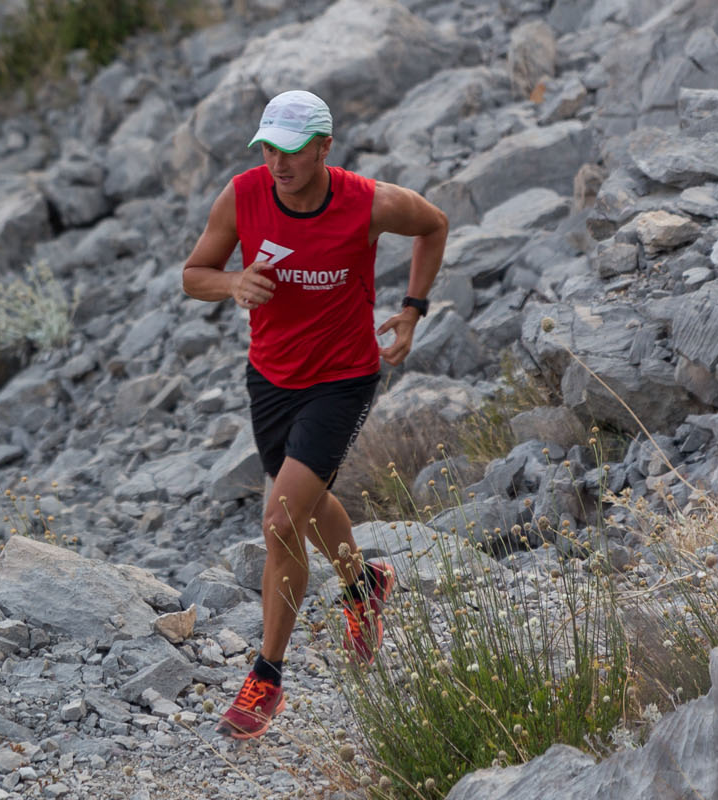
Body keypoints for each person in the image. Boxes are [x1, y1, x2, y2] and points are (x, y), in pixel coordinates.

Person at [181, 89, 449, 740]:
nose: (279, 162)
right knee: (307, 501)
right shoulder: (242, 196)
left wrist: (413, 309)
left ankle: (266, 678)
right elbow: (194, 274)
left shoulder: (368, 202)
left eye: (293, 150)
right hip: (271, 378)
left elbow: (434, 225)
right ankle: (366, 586)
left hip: (344, 378)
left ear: (325, 147)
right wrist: (232, 283)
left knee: (279, 519)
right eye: (269, 148)